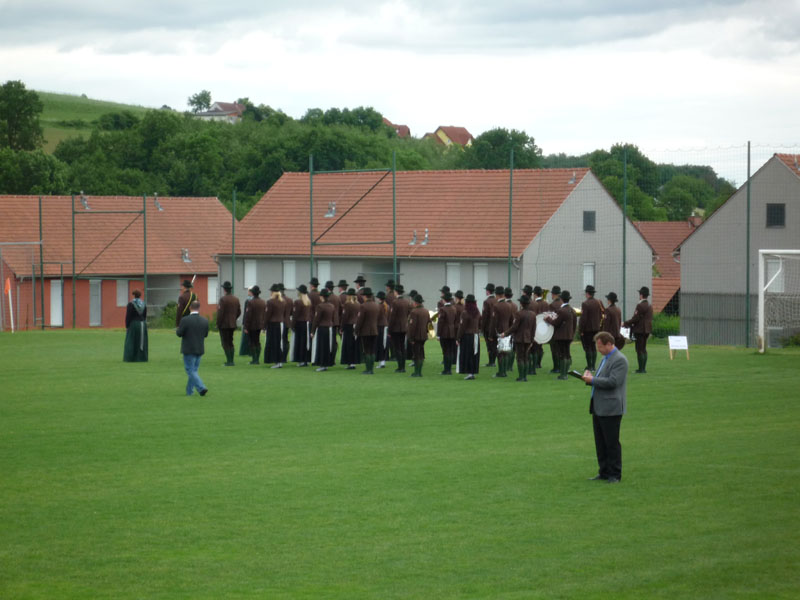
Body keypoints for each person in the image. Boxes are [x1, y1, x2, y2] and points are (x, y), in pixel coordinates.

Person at [581, 331, 628, 483]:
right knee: (600, 443)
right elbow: (602, 378)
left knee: (611, 443)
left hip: (611, 407)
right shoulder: (605, 358)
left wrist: (592, 380)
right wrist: (590, 377)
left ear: (609, 344)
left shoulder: (620, 360)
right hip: (599, 406)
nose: (598, 349)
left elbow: (613, 382)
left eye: (600, 346)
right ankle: (604, 471)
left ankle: (615, 474)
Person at [176, 300, 209, 396]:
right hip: (200, 348)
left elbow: (179, 333)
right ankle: (189, 391)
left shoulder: (185, 320)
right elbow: (206, 335)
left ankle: (201, 387)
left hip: (189, 348)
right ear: (199, 308)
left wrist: (178, 329)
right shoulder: (205, 320)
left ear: (190, 308)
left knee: (190, 370)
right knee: (194, 371)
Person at [502, 294, 536, 381]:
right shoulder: (533, 314)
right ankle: (525, 377)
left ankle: (521, 376)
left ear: (521, 303)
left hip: (520, 338)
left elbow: (514, 327)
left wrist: (505, 333)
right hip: (528, 338)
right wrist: (532, 340)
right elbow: (533, 328)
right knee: (526, 358)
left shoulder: (519, 313)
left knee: (520, 358)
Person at [545, 290, 577, 380]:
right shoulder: (572, 310)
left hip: (561, 336)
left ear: (562, 299)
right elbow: (574, 324)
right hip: (569, 335)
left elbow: (556, 323)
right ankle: (566, 372)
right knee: (567, 354)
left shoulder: (561, 311)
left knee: (562, 355)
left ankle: (563, 375)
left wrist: (547, 319)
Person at [624, 286, 654, 374]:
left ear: (641, 295)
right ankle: (643, 368)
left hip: (640, 330)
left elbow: (635, 318)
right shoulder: (649, 305)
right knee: (644, 349)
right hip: (647, 330)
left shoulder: (640, 305)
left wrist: (625, 323)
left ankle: (641, 369)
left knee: (639, 349)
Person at [578, 285, 604, 372]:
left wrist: (581, 329)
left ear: (587, 293)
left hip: (587, 329)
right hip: (596, 328)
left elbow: (583, 319)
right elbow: (602, 314)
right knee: (593, 347)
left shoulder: (585, 304)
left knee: (588, 348)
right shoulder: (598, 302)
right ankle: (593, 366)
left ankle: (589, 366)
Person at [490, 286, 514, 378]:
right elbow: (511, 319)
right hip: (507, 330)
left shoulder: (496, 306)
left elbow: (494, 321)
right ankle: (505, 370)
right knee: (506, 352)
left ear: (497, 295)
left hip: (499, 331)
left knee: (500, 353)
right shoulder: (509, 305)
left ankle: (501, 372)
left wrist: (491, 334)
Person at [355, 288, 380, 374]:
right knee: (372, 350)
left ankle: (368, 369)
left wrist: (356, 330)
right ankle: (371, 369)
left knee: (367, 350)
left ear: (365, 296)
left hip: (365, 331)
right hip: (374, 330)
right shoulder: (376, 305)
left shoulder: (363, 306)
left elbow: (360, 320)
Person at [456, 293, 481, 380]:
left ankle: (469, 372)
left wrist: (458, 337)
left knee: (467, 354)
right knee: (474, 355)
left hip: (467, 336)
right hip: (476, 335)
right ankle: (472, 372)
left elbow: (462, 327)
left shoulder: (465, 313)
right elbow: (480, 323)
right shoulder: (477, 312)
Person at [311, 288, 337, 371]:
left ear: (322, 297)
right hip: (330, 328)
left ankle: (322, 364)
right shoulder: (332, 306)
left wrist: (312, 331)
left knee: (322, 347)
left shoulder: (320, 306)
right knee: (327, 347)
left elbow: (316, 320)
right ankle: (326, 363)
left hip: (322, 328)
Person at [216, 281, 241, 366]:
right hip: (232, 324)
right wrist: (234, 318)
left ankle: (229, 361)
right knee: (230, 342)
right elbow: (239, 312)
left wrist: (218, 323)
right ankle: (231, 360)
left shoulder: (223, 299)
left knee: (225, 343)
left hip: (224, 325)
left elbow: (220, 313)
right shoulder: (236, 299)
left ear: (224, 289)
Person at [388, 284, 411, 373]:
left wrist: (389, 329)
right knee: (402, 347)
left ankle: (400, 367)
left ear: (396, 292)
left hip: (396, 328)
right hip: (404, 327)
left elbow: (392, 317)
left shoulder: (395, 302)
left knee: (397, 348)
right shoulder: (406, 302)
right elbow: (409, 314)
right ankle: (403, 366)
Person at [407, 294, 432, 377]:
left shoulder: (414, 312)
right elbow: (429, 324)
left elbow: (412, 327)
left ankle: (417, 372)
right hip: (423, 335)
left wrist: (410, 338)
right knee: (421, 354)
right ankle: (419, 372)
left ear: (415, 302)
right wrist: (427, 332)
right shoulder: (426, 311)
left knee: (416, 354)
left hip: (416, 336)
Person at [243, 285, 266, 364]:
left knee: (252, 342)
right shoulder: (263, 302)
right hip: (260, 325)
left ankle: (254, 359)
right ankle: (257, 359)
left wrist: (246, 326)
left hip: (252, 325)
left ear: (253, 293)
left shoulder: (251, 302)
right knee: (257, 341)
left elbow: (248, 316)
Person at [290, 284, 313, 366]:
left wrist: (292, 325)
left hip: (300, 324)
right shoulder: (308, 302)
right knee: (305, 342)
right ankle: (306, 359)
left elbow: (295, 315)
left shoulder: (298, 302)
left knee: (299, 342)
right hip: (307, 323)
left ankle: (301, 359)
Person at [123, 289, 148, 362]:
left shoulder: (131, 304)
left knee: (131, 341)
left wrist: (127, 326)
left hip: (134, 324)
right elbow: (144, 316)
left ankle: (130, 358)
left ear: (134, 295)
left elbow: (128, 316)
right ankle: (141, 358)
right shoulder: (143, 304)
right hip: (142, 324)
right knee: (141, 342)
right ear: (140, 295)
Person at [264, 284, 286, 367]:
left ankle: (277, 361)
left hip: (273, 324)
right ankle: (279, 361)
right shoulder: (283, 301)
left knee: (274, 343)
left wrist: (264, 325)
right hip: (281, 323)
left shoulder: (270, 302)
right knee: (279, 342)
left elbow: (268, 315)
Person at [340, 289, 362, 369]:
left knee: (348, 345)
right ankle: (354, 362)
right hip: (356, 325)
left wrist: (341, 328)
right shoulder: (358, 304)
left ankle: (349, 362)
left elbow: (345, 317)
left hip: (349, 326)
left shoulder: (348, 304)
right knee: (355, 345)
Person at [437, 291, 457, 375]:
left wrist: (438, 334)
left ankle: (446, 370)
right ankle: (449, 369)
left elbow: (440, 323)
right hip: (452, 331)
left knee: (445, 351)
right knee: (451, 351)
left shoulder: (442, 309)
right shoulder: (454, 308)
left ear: (444, 300)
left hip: (444, 332)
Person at [547, 285, 563, 373]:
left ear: (553, 294)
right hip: (562, 329)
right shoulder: (562, 303)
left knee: (554, 349)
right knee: (561, 349)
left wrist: (546, 318)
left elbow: (551, 317)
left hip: (554, 330)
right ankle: (562, 366)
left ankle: (556, 367)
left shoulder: (553, 305)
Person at [482, 283, 498, 367]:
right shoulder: (497, 300)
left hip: (488, 327)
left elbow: (485, 316)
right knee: (495, 344)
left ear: (488, 291)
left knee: (489, 345)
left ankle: (491, 362)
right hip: (497, 327)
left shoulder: (486, 302)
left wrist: (482, 327)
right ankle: (493, 361)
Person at [375, 291, 390, 368]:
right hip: (385, 325)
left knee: (381, 344)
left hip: (380, 326)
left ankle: (382, 361)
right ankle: (382, 361)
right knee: (383, 344)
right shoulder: (386, 306)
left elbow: (377, 317)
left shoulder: (380, 306)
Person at [238, 287, 255, 357]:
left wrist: (244, 322)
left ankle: (246, 352)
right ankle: (249, 352)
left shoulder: (248, 301)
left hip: (248, 322)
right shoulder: (250, 300)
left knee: (247, 338)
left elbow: (246, 313)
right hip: (253, 322)